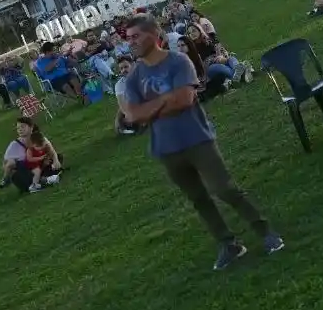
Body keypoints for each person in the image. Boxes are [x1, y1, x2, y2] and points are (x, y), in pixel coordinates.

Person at [120, 14, 283, 270]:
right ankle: (228, 244)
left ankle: (265, 232)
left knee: (224, 189)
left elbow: (184, 100)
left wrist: (150, 108)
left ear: (154, 35)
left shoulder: (178, 61)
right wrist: (165, 101)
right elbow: (132, 116)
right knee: (198, 199)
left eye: (135, 36)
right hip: (166, 149)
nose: (131, 43)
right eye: (128, 38)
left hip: (196, 138)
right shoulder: (134, 76)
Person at [0, 117, 62, 191]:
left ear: (31, 127)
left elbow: (51, 150)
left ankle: (40, 183)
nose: (20, 129)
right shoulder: (14, 145)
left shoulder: (39, 138)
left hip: (41, 167)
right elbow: (6, 165)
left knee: (58, 157)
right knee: (17, 174)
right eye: (18, 128)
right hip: (26, 173)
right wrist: (9, 169)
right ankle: (46, 180)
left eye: (22, 126)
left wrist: (56, 160)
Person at [186, 23, 247, 88]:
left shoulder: (209, 40)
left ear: (199, 30)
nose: (192, 34)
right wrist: (213, 60)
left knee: (232, 59)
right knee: (219, 67)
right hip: (209, 68)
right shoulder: (192, 48)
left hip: (221, 60)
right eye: (189, 33)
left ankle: (238, 76)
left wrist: (221, 56)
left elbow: (221, 49)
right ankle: (243, 73)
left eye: (193, 31)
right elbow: (199, 66)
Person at [112, 57, 143, 137]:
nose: (123, 70)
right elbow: (122, 105)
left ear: (132, 65)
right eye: (121, 68)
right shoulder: (119, 84)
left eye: (126, 67)